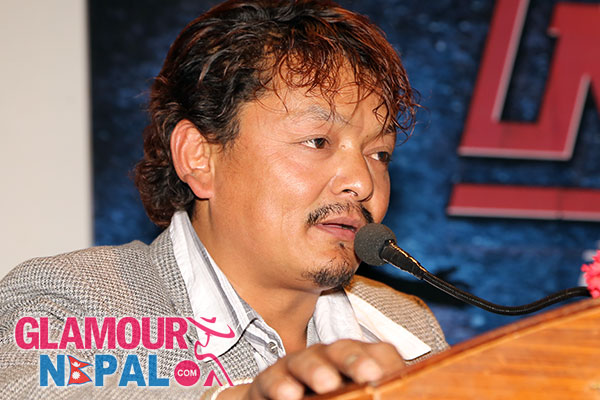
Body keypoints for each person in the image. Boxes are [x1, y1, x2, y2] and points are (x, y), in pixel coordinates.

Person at [0, 0, 447, 398]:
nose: (362, 183)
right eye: (317, 141)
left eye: (379, 153)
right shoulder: (82, 299)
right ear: (199, 158)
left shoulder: (406, 324)